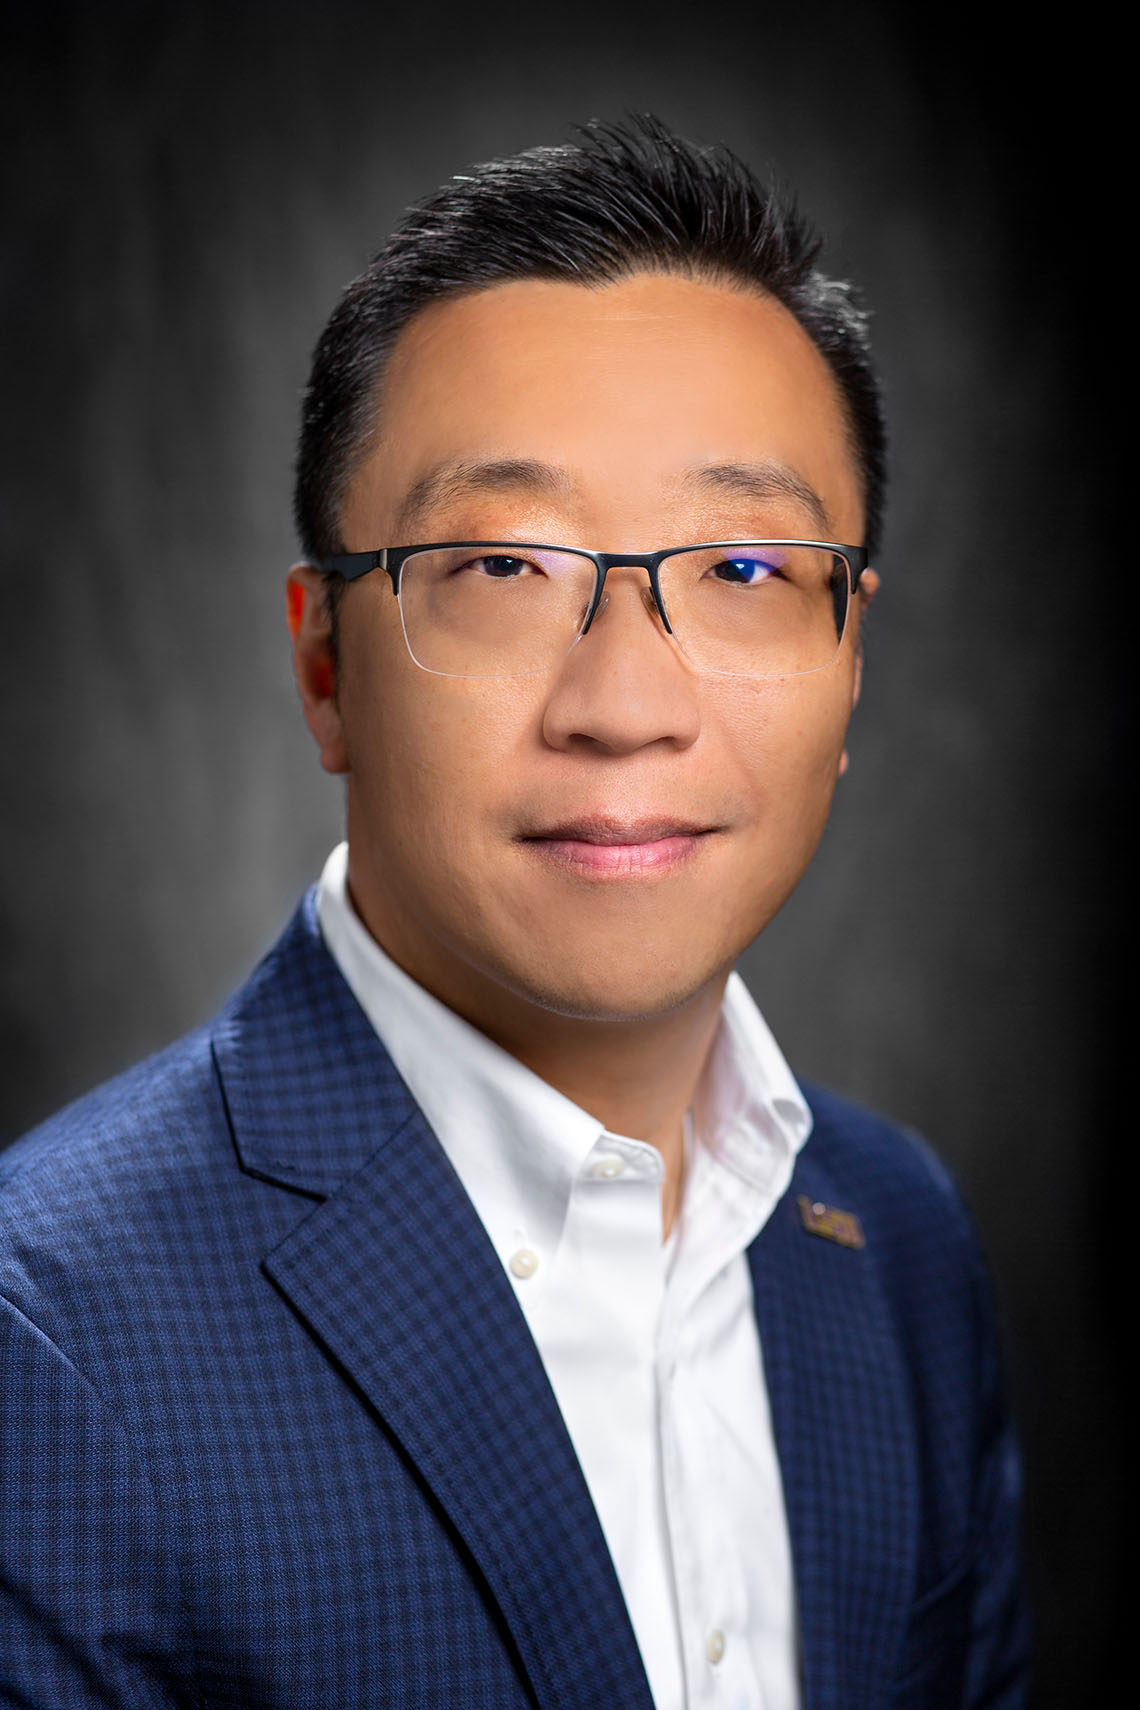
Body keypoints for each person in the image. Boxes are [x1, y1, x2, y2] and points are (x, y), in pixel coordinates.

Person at [0, 117, 1029, 1708]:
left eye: (747, 566)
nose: (625, 704)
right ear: (324, 664)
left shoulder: (897, 1238)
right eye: (502, 564)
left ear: (851, 657)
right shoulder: (49, 1337)